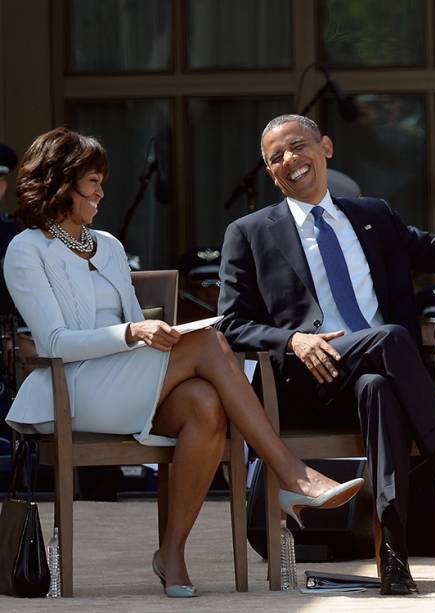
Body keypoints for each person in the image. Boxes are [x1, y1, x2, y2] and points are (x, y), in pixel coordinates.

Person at [3, 127, 365, 598]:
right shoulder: (26, 249)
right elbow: (52, 342)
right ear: (59, 182)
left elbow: (133, 324)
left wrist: (149, 333)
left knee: (204, 404)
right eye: (92, 182)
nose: (100, 192)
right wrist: (133, 332)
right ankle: (290, 473)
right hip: (73, 388)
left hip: (127, 381)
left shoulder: (108, 246)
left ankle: (171, 551)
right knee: (213, 345)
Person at [217, 114, 435, 596]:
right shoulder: (250, 231)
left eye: (298, 147)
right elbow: (230, 323)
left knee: (379, 386)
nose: (289, 161)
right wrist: (292, 340)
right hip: (309, 381)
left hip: (383, 375)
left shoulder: (373, 215)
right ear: (270, 172)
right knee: (392, 337)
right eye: (275, 158)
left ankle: (394, 561)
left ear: (326, 146)